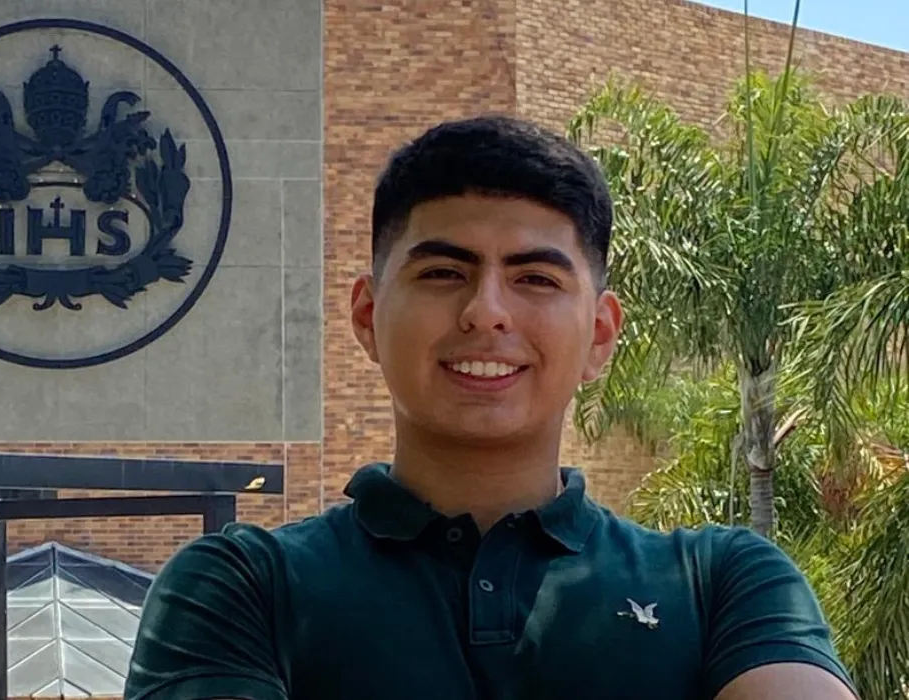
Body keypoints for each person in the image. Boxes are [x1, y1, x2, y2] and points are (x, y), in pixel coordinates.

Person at [124, 116, 858, 700]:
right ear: (367, 316)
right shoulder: (241, 588)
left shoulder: (724, 584)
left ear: (599, 336)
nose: (486, 312)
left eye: (535, 278)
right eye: (445, 271)